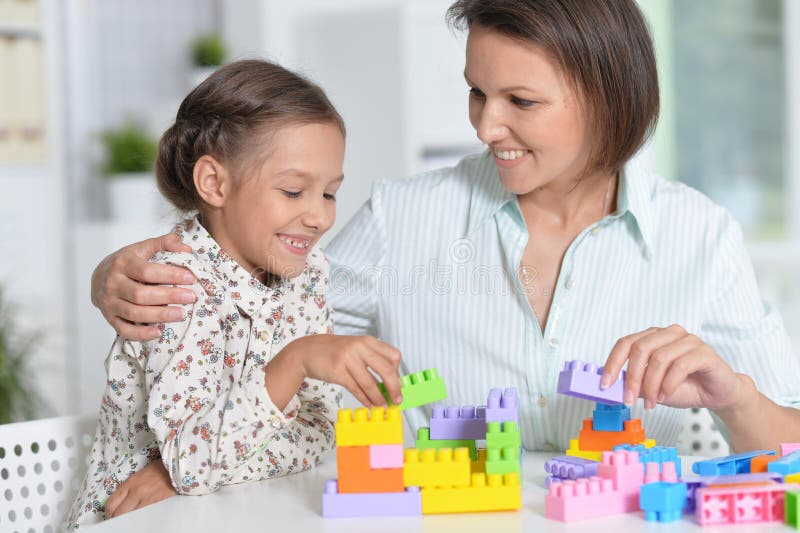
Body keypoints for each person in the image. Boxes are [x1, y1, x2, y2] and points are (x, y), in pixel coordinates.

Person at [91, 0, 800, 493]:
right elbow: (252, 321)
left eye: (520, 102)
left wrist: (733, 396)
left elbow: (790, 452)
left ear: (609, 98)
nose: (487, 127)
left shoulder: (700, 238)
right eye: (476, 94)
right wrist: (114, 277)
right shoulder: (406, 217)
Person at [68, 59, 403, 527]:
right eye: (292, 191)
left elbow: (318, 434)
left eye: (328, 193)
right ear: (214, 183)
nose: (320, 217)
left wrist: (200, 468)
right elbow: (190, 461)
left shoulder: (308, 277)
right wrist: (296, 360)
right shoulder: (175, 287)